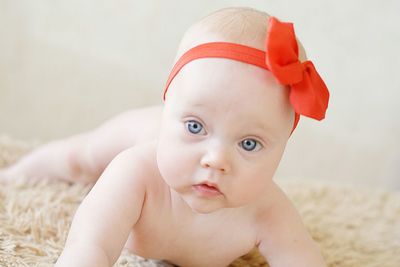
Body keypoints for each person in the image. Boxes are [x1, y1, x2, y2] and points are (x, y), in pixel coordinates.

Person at [0, 7, 329, 267]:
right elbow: (90, 245)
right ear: (169, 105)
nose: (215, 159)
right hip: (137, 132)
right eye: (195, 126)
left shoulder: (269, 211)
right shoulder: (135, 172)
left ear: (283, 146)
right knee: (80, 159)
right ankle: (12, 173)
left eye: (249, 143)